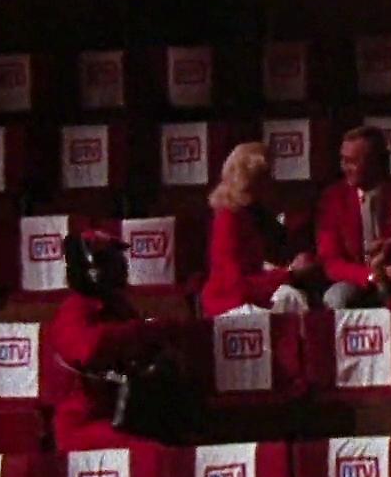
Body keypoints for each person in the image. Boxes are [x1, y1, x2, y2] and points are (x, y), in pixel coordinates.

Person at [52, 231, 175, 451]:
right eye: (111, 260)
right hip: (85, 423)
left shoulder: (120, 306)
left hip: (124, 413)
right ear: (93, 269)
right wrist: (141, 331)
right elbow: (88, 349)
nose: (121, 266)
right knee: (153, 453)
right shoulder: (74, 310)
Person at [316, 126, 391, 309]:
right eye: (343, 161)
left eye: (352, 162)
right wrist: (372, 275)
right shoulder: (333, 199)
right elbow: (330, 261)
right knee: (336, 297)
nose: (345, 168)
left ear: (376, 162)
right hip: (358, 278)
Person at [200, 141, 314, 318]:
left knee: (292, 297)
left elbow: (282, 247)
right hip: (230, 302)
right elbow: (235, 284)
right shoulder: (228, 218)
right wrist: (289, 274)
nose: (273, 182)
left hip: (251, 295)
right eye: (268, 176)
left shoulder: (254, 213)